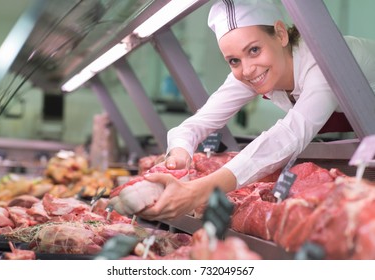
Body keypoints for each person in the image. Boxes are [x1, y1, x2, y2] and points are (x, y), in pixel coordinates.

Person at [138, 0, 375, 221]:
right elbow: (196, 124)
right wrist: (179, 153)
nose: (248, 69)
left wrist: (201, 190)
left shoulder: (322, 60)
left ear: (280, 34)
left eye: (254, 50)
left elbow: (290, 134)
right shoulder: (250, 73)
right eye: (233, 60)